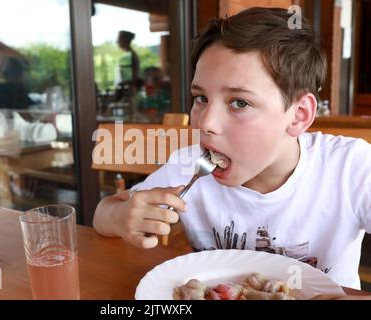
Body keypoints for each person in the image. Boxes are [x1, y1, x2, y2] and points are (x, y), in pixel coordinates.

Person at [93, 7, 371, 296]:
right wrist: (122, 216)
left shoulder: (349, 168)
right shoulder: (188, 168)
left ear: (299, 115)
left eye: (239, 103)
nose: (205, 122)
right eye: (201, 98)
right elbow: (104, 213)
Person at [115, 30, 140, 99]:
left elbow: (133, 77)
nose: (117, 42)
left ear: (125, 40)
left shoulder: (129, 56)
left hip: (129, 92)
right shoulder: (129, 55)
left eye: (119, 39)